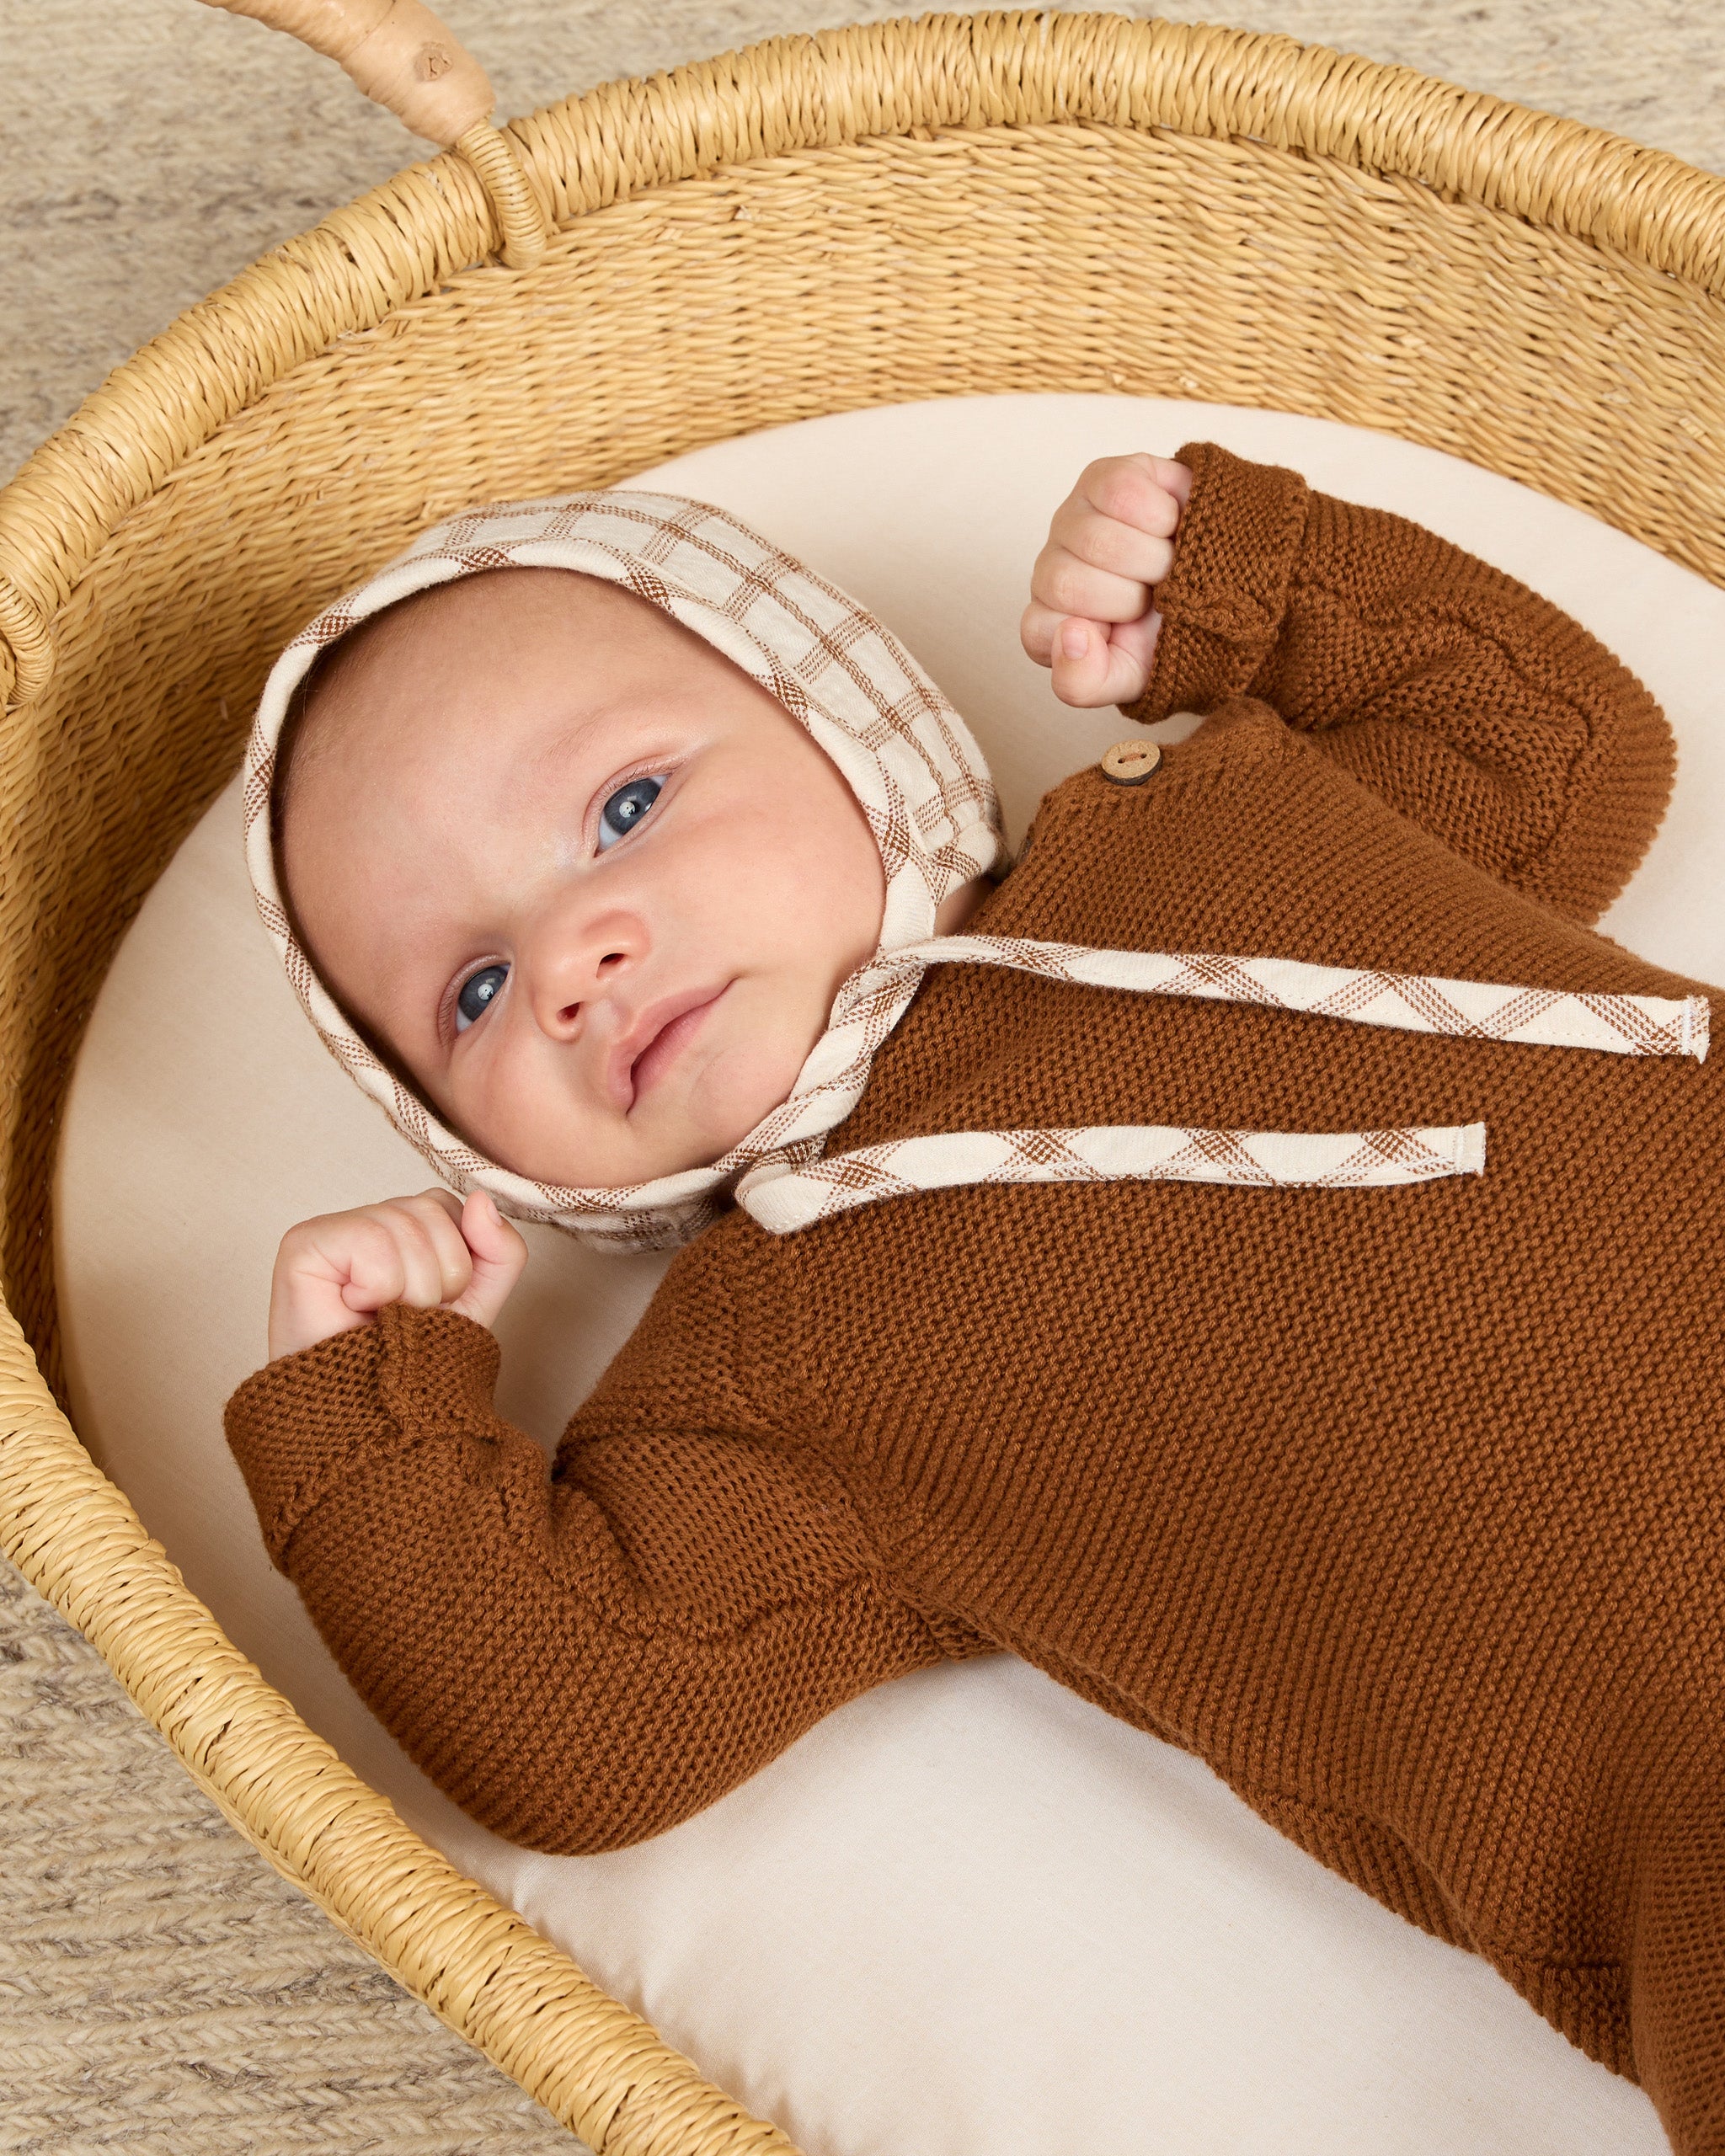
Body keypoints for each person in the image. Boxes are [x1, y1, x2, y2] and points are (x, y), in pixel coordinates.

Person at [226, 441, 1722, 2150]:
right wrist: (370, 1413)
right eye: (473, 990)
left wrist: (1247, 582)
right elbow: (583, 1722)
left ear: (840, 714)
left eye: (625, 810)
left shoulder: (1229, 815)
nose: (573, 960)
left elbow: (1563, 747)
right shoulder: (759, 1369)